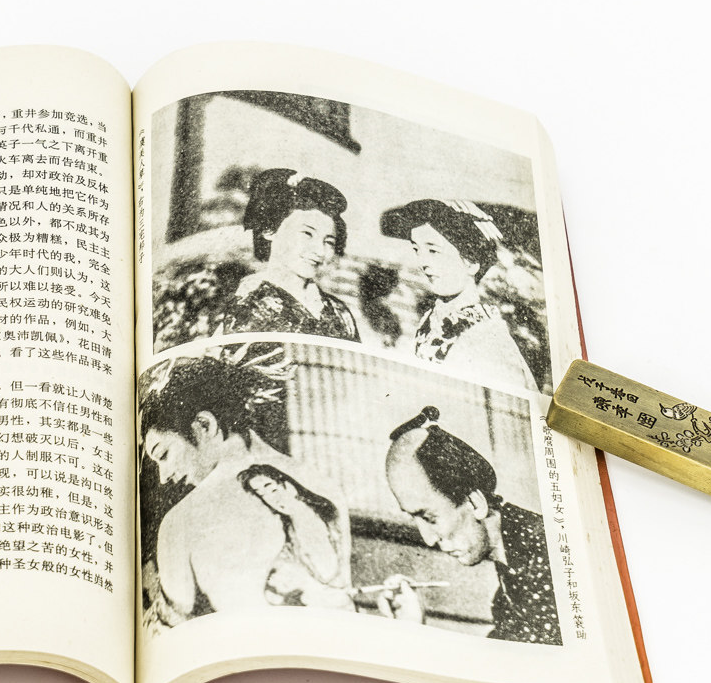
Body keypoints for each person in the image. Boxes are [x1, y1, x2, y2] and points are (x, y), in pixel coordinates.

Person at [139, 351, 352, 625]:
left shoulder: (179, 522)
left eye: (164, 454)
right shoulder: (322, 484)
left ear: (204, 425)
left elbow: (174, 628)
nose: (164, 476)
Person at [380, 405, 562, 645]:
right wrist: (413, 625)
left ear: (476, 504)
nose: (428, 539)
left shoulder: (549, 559)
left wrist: (416, 634)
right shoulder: (514, 573)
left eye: (430, 518)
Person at [380, 198, 536, 390]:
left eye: (433, 251)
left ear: (471, 263)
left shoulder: (487, 338)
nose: (423, 262)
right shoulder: (431, 320)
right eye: (416, 250)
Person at [220, 169, 360, 341]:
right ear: (269, 230)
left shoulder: (339, 311)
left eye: (329, 241)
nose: (320, 250)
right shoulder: (245, 304)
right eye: (307, 234)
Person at [237, 463, 354, 610]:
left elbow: (329, 574)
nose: (271, 499)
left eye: (273, 489)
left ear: (289, 486)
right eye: (262, 494)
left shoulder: (315, 517)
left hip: (333, 600)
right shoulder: (291, 524)